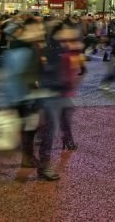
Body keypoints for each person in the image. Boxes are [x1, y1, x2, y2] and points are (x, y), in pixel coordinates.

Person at [37, 26, 84, 181]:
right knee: (51, 131)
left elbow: (76, 70)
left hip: (64, 94)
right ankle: (44, 166)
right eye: (65, 34)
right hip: (52, 95)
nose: (69, 36)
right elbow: (47, 75)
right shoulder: (51, 52)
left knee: (67, 116)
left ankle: (68, 140)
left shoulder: (70, 50)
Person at [2, 18, 45, 170]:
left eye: (40, 29)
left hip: (24, 95)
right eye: (35, 29)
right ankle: (27, 157)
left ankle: (27, 155)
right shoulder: (20, 50)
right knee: (29, 126)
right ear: (25, 31)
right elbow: (18, 75)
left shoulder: (29, 47)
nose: (39, 32)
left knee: (30, 126)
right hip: (23, 96)